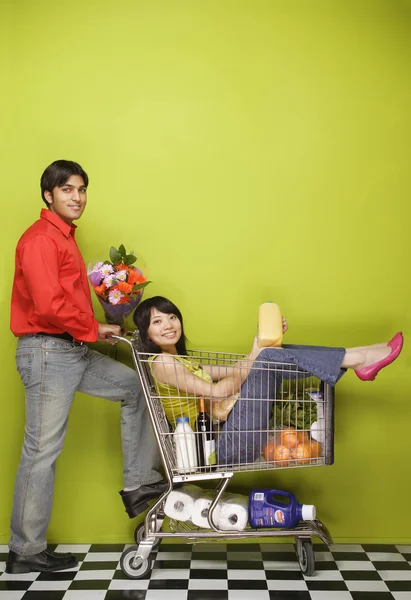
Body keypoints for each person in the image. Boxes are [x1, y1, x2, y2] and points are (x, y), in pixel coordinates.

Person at [7, 160, 167, 575]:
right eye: (67, 190)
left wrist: (100, 328)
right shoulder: (41, 239)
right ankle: (25, 549)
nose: (76, 197)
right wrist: (93, 328)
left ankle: (139, 483)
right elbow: (48, 306)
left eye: (81, 190)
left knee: (135, 387)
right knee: (42, 451)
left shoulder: (64, 239)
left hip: (71, 351)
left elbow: (67, 303)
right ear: (49, 195)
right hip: (47, 353)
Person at [133, 295, 403, 465]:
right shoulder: (163, 363)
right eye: (157, 322)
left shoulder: (183, 361)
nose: (168, 325)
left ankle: (357, 357)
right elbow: (216, 393)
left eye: (172, 317)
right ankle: (358, 358)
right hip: (222, 448)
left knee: (270, 354)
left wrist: (259, 345)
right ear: (146, 333)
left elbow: (234, 369)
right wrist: (261, 353)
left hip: (232, 436)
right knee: (268, 357)